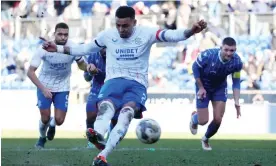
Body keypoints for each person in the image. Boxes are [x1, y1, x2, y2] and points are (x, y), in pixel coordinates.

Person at [41, 6, 207, 166]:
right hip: (113, 81)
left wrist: (191, 31)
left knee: (126, 115)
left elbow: (171, 35)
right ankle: (97, 133)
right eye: (118, 25)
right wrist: (58, 48)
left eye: (125, 25)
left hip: (136, 84)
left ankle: (102, 155)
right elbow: (84, 48)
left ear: (134, 22)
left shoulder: (147, 33)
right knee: (106, 108)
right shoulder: (108, 35)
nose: (121, 29)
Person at [27, 22, 94, 148]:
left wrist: (88, 67)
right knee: (45, 118)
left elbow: (81, 64)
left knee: (59, 120)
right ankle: (42, 138)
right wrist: (43, 89)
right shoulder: (44, 49)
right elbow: (30, 72)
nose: (63, 37)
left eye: (66, 35)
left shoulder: (73, 47)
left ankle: (53, 125)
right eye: (60, 34)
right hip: (44, 86)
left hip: (63, 87)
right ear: (54, 34)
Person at [190, 37, 243, 151]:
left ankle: (205, 139)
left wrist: (237, 102)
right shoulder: (208, 55)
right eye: (226, 49)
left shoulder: (237, 62)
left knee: (218, 119)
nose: (229, 53)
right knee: (203, 121)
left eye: (232, 50)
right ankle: (194, 118)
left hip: (219, 88)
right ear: (221, 48)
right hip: (203, 87)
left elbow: (236, 82)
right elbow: (195, 68)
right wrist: (200, 87)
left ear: (235, 50)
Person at [83, 48, 117, 148]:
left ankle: (111, 138)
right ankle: (91, 140)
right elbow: (86, 78)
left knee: (114, 118)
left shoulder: (116, 56)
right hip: (96, 89)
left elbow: (112, 75)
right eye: (103, 47)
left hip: (112, 89)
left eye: (107, 47)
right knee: (90, 115)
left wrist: (97, 71)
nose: (105, 49)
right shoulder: (92, 55)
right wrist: (89, 71)